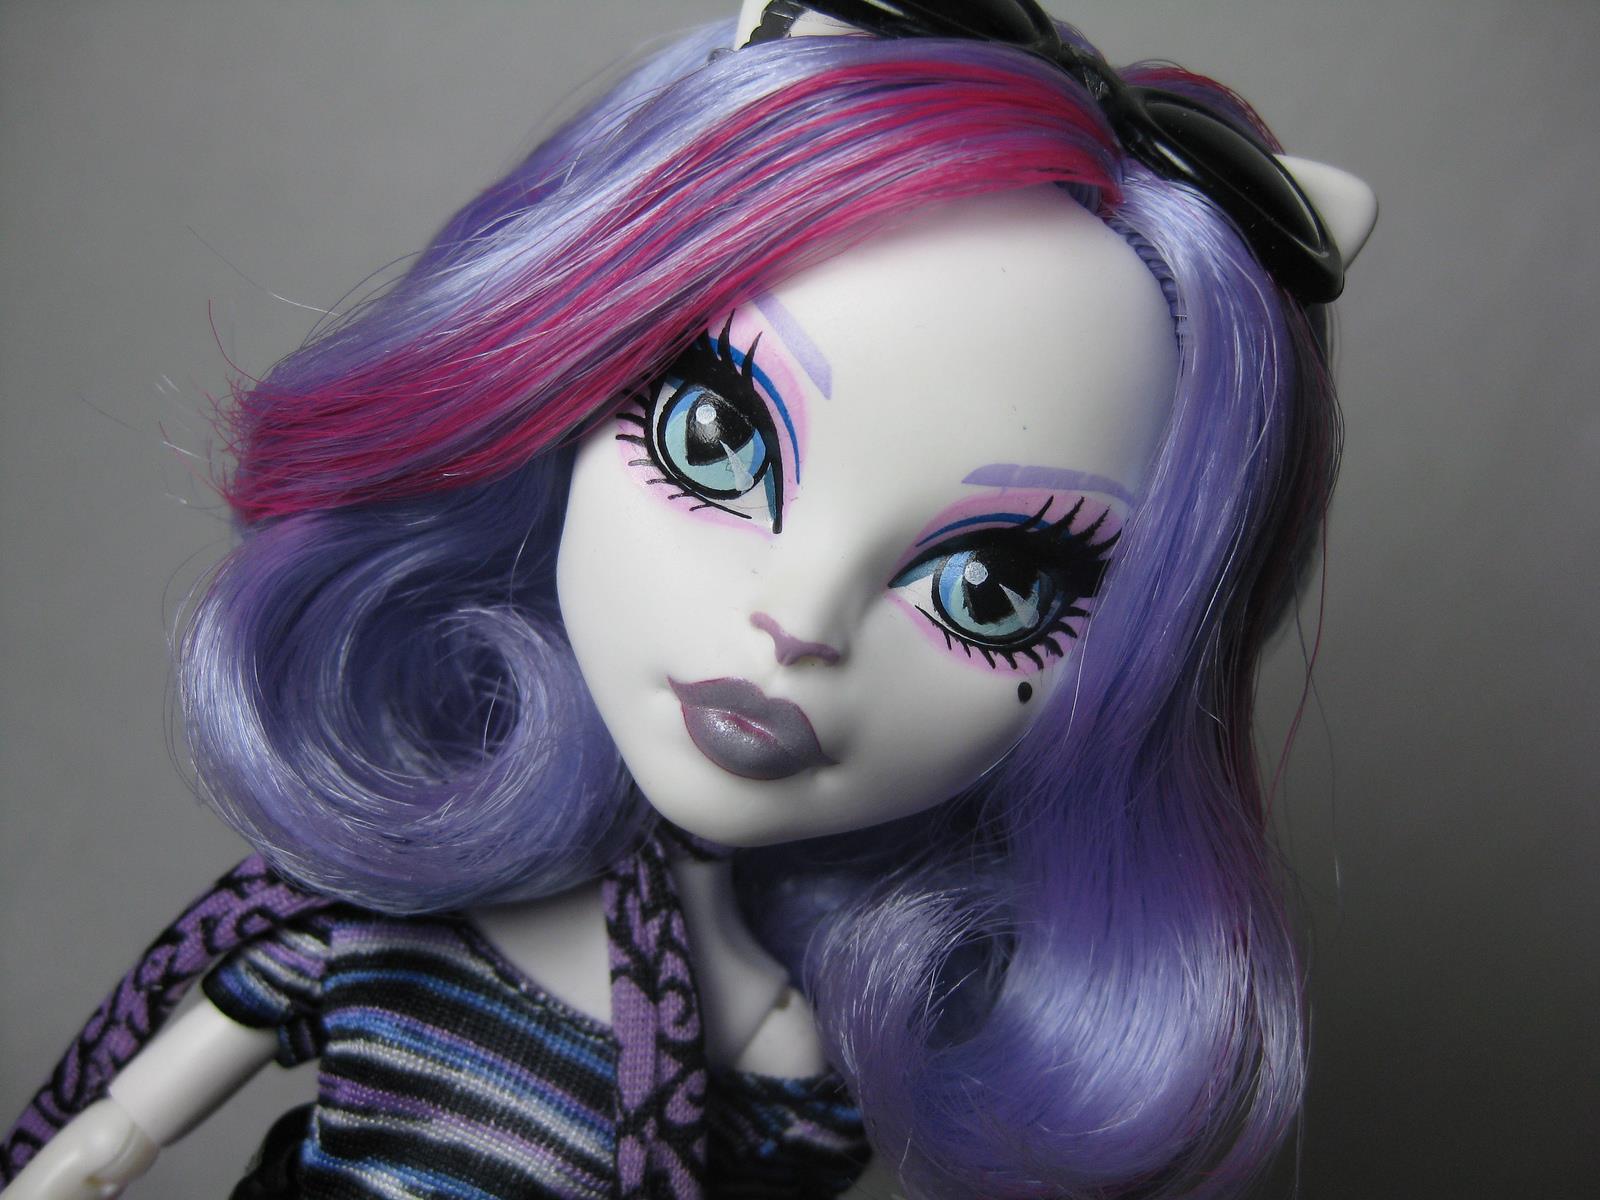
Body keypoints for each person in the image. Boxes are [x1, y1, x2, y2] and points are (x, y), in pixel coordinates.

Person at [2, 3, 1377, 1197]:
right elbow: (111, 1132)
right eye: (715, 439)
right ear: (546, 392)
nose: (800, 620)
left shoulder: (810, 1068)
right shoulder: (376, 923)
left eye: (993, 588)